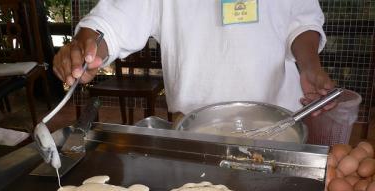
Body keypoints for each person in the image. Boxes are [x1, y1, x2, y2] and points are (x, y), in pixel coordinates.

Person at [53, 0, 335, 119]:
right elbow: (113, 22)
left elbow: (302, 21)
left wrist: (310, 66)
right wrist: (88, 48)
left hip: (277, 123)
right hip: (196, 130)